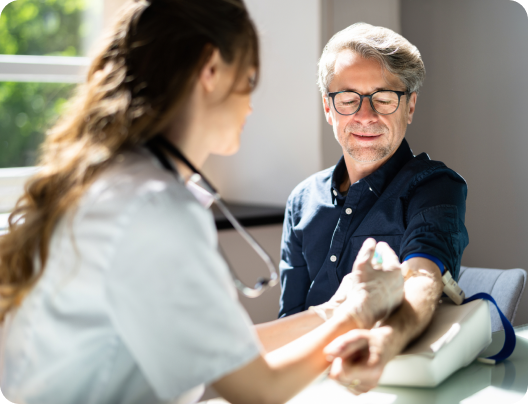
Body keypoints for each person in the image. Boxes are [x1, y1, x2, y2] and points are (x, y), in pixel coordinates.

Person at [0, 2, 405, 403]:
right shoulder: (155, 208)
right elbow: (258, 389)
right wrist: (363, 310)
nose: (250, 105)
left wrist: (334, 310)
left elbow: (227, 350)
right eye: (248, 80)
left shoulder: (114, 183)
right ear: (210, 69)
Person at [279, 22, 469, 394]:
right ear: (328, 108)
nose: (365, 116)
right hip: (310, 385)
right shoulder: (302, 200)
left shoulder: (434, 187)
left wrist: (381, 343)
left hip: (395, 383)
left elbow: (422, 280)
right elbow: (292, 318)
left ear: (410, 106)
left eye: (383, 99)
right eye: (348, 99)